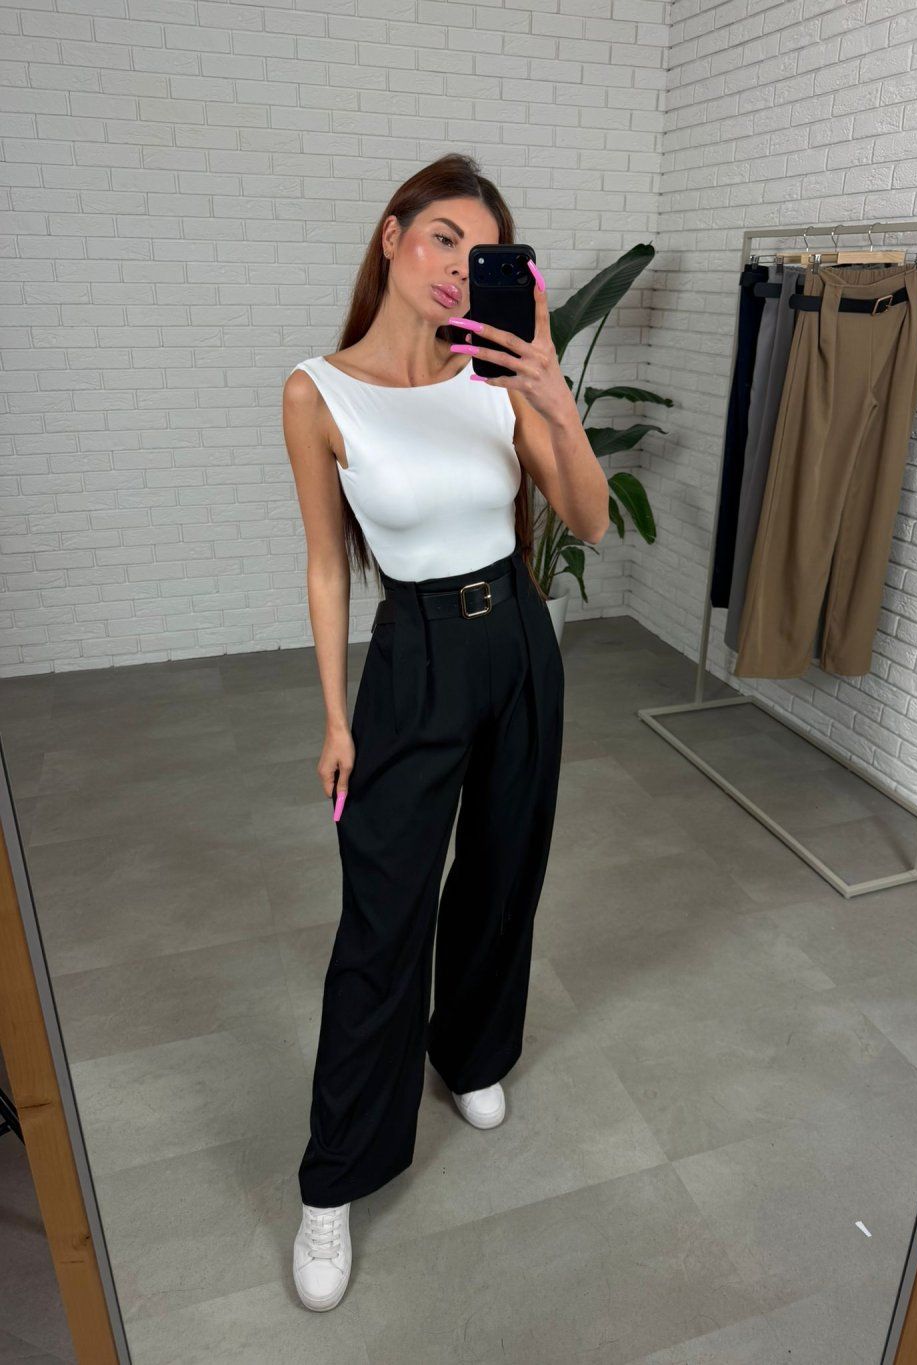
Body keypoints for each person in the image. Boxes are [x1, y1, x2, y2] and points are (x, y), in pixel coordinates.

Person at [280, 153, 609, 1311]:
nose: (457, 269)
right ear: (392, 237)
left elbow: (588, 521)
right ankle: (335, 1181)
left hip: (517, 640)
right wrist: (335, 715)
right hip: (412, 656)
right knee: (382, 920)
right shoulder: (319, 393)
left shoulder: (496, 378)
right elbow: (327, 565)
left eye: (481, 253)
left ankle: (468, 1052)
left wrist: (549, 394)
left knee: (504, 872)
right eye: (441, 239)